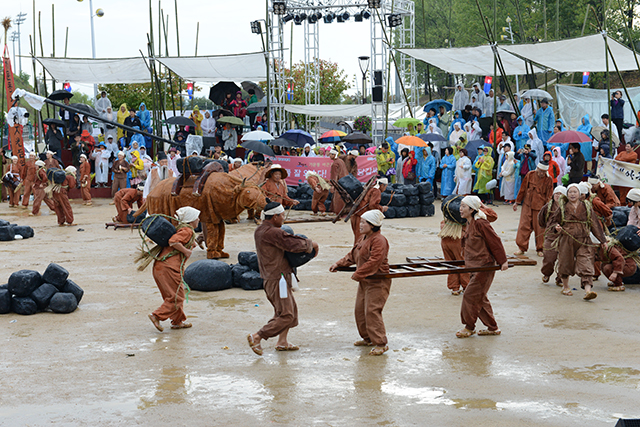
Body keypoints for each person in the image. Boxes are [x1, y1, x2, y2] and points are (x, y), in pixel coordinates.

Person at [247, 202, 319, 356]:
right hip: (276, 279)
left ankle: (282, 341)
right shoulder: (273, 232)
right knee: (287, 315)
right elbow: (292, 243)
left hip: (274, 276)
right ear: (274, 217)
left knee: (287, 310)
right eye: (282, 216)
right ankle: (258, 336)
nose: (283, 219)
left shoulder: (260, 229)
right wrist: (311, 244)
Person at [330, 209, 391, 355]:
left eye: (364, 222)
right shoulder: (363, 238)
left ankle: (381, 343)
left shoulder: (379, 240)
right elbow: (352, 255)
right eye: (361, 222)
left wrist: (358, 273)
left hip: (377, 281)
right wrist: (339, 263)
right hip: (365, 280)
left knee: (372, 310)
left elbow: (375, 261)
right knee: (360, 310)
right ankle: (368, 338)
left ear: (373, 224)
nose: (360, 225)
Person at [455, 196, 508, 338]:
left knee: (470, 296)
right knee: (480, 298)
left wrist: (503, 261)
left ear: (472, 209)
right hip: (473, 266)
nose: (460, 209)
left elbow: (495, 241)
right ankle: (492, 328)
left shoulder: (481, 223)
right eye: (460, 206)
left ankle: (469, 327)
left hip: (484, 266)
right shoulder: (469, 223)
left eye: (464, 207)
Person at [147, 206, 200, 332]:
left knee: (173, 296)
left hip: (162, 267)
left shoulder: (182, 230)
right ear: (191, 220)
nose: (199, 220)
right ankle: (156, 316)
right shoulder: (188, 231)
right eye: (197, 217)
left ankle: (177, 321)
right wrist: (187, 251)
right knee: (177, 297)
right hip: (168, 268)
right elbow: (173, 241)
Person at [552, 184, 606, 299]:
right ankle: (565, 287)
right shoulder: (562, 207)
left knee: (586, 263)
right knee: (565, 262)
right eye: (570, 192)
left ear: (580, 194)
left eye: (575, 192)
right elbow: (554, 222)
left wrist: (603, 240)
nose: (572, 194)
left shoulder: (586, 207)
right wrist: (556, 229)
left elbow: (595, 225)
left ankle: (588, 291)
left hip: (583, 239)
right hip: (566, 239)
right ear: (567, 194)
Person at [513, 162, 553, 256]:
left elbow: (549, 194)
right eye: (540, 171)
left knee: (540, 229)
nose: (541, 173)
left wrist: (548, 208)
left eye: (544, 172)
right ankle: (521, 248)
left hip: (540, 207)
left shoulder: (549, 179)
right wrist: (517, 202)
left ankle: (540, 249)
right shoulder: (530, 175)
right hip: (527, 205)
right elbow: (523, 188)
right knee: (524, 226)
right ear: (537, 168)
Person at [538, 185, 567, 286]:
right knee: (549, 258)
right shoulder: (547, 207)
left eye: (561, 194)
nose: (558, 196)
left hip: (564, 236)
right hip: (550, 236)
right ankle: (546, 273)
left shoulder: (568, 207)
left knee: (564, 259)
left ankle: (560, 278)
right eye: (557, 193)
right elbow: (541, 219)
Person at [350, 178, 388, 244]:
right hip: (362, 217)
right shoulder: (376, 191)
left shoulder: (370, 187)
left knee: (358, 238)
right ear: (382, 185)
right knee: (361, 239)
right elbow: (373, 205)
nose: (385, 189)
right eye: (385, 187)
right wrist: (382, 208)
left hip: (355, 214)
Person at [330, 149, 349, 214]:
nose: (329, 155)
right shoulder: (341, 161)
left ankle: (338, 213)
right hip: (345, 182)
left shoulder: (335, 163)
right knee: (343, 197)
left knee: (338, 198)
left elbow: (334, 175)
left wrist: (332, 185)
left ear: (334, 155)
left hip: (339, 183)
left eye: (330, 154)